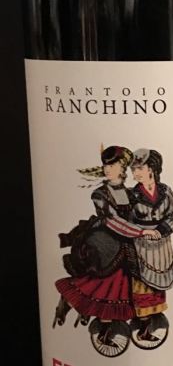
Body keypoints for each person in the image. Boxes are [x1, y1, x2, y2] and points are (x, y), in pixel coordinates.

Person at [54, 145, 156, 344]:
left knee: (121, 288)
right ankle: (79, 310)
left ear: (123, 167)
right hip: (105, 244)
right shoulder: (100, 194)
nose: (107, 169)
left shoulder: (131, 193)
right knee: (104, 285)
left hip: (127, 244)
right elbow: (112, 221)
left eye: (112, 165)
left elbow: (138, 216)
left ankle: (109, 328)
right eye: (105, 165)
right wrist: (141, 232)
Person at [129, 148, 173, 341]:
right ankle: (143, 327)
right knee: (142, 286)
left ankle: (153, 323)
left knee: (159, 285)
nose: (135, 173)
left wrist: (160, 231)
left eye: (139, 168)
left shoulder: (166, 192)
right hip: (141, 247)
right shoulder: (131, 195)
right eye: (133, 169)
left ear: (151, 168)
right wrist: (142, 232)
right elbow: (127, 222)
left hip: (163, 248)